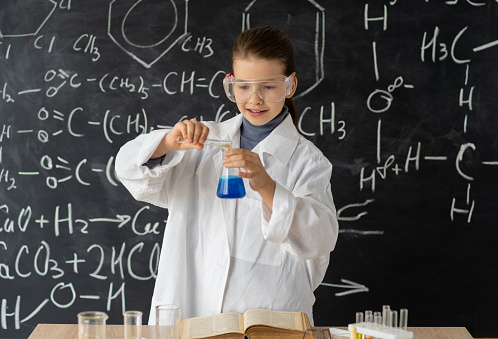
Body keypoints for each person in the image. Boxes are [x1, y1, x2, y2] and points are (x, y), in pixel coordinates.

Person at [115, 26, 339, 325]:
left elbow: (320, 239)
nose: (255, 99)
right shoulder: (203, 142)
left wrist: (268, 187)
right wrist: (168, 142)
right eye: (244, 86)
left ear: (290, 85)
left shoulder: (307, 161)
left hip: (269, 321)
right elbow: (128, 169)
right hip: (190, 312)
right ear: (231, 84)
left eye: (269, 86)